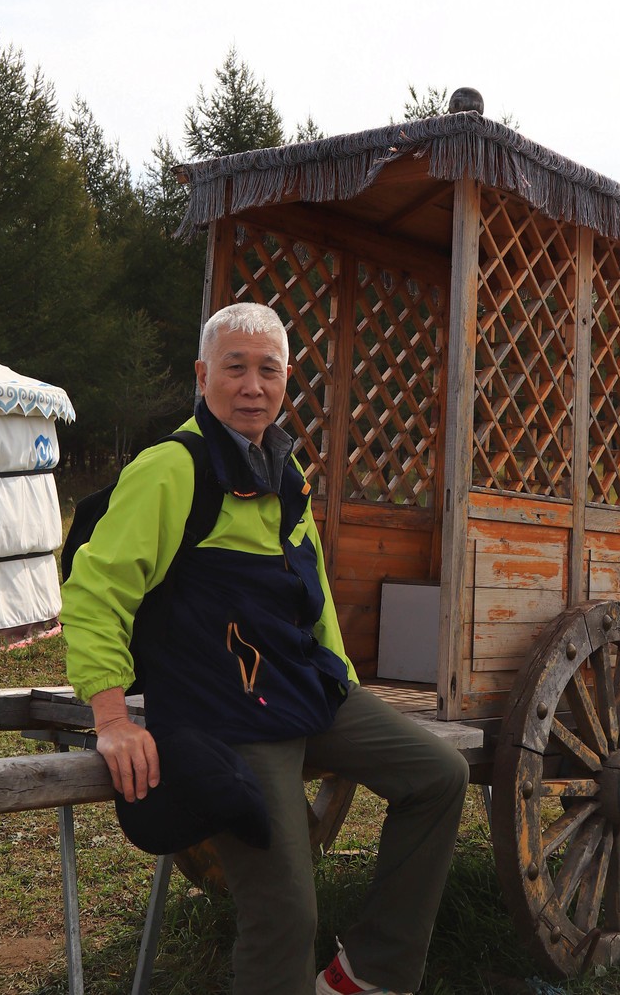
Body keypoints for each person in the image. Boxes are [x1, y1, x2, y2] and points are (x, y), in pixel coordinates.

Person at [60, 301, 469, 995]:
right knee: (286, 913)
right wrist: (112, 718)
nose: (252, 386)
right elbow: (96, 591)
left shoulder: (285, 471)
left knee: (440, 774)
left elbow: (312, 591)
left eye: (268, 371)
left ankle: (369, 974)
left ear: (286, 381)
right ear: (202, 376)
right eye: (235, 368)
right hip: (226, 710)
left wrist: (343, 682)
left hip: (302, 690)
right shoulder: (171, 469)